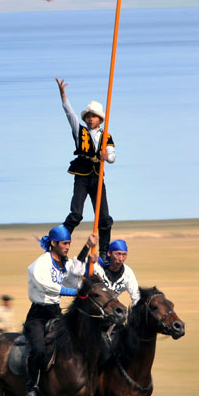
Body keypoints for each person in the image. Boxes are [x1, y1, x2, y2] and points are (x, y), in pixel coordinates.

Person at [23, 225, 97, 396]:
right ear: (54, 243)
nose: (67, 247)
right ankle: (32, 387)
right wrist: (76, 293)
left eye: (69, 243)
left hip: (56, 312)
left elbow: (75, 269)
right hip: (38, 315)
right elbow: (49, 286)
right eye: (64, 243)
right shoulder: (40, 264)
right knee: (39, 349)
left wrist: (88, 247)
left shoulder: (64, 262)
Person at [55, 78, 115, 260]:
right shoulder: (79, 131)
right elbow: (69, 114)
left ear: (99, 119)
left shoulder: (106, 136)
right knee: (76, 214)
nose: (90, 119)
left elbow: (112, 155)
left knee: (104, 218)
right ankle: (59, 241)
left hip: (97, 178)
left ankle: (104, 251)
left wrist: (107, 157)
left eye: (94, 116)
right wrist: (63, 96)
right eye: (88, 116)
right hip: (81, 177)